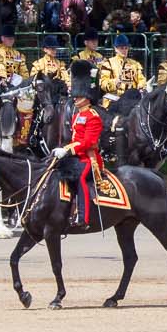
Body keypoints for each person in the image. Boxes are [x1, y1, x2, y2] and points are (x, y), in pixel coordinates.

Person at [55, 69, 105, 228]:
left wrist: (68, 150)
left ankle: (83, 217)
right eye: (75, 95)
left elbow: (89, 142)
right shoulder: (76, 116)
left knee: (81, 177)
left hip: (89, 158)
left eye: (79, 95)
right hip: (76, 156)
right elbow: (75, 139)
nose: (75, 98)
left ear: (87, 97)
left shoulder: (93, 116)